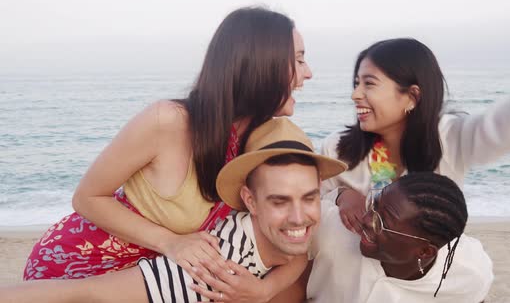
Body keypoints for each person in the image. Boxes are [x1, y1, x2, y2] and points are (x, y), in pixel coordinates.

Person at [23, 6, 313, 301]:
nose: (308, 73)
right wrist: (172, 242)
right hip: (80, 267)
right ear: (262, 63)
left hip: (159, 278)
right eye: (300, 59)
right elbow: (87, 198)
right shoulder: (169, 121)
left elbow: (296, 243)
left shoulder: (266, 137)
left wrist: (265, 290)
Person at [1, 118, 348, 303]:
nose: (300, 215)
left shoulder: (313, 222)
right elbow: (82, 294)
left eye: (308, 197)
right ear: (250, 201)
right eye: (279, 200)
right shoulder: (215, 267)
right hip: (73, 261)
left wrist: (264, 291)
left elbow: (298, 255)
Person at [321, 12, 510, 234]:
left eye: (369, 83)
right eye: (356, 83)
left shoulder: (450, 139)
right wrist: (341, 196)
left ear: (412, 96)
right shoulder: (337, 150)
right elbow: (307, 211)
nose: (355, 94)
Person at [303, 172, 492, 302]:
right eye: (373, 204)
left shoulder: (468, 270)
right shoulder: (335, 229)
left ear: (425, 251)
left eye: (383, 222)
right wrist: (342, 194)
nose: (367, 219)